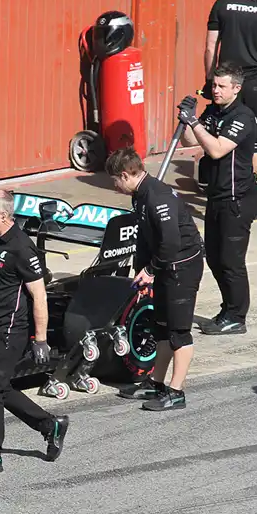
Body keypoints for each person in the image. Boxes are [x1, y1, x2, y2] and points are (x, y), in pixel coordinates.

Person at [0, 190, 69, 476]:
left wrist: (40, 339)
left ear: (4, 216)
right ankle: (49, 424)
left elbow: (39, 295)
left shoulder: (22, 248)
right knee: (0, 388)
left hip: (11, 330)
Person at [105, 147, 204, 411]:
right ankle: (156, 383)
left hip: (181, 268)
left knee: (178, 332)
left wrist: (150, 271)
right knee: (160, 327)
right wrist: (142, 270)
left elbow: (170, 244)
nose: (114, 186)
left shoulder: (157, 197)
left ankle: (176, 392)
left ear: (125, 175)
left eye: (115, 180)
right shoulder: (140, 195)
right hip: (164, 268)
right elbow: (147, 240)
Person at [178, 62, 257, 335]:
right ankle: (228, 309)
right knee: (213, 257)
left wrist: (194, 123)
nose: (216, 90)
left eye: (222, 86)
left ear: (236, 88)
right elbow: (190, 142)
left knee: (231, 260)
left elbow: (216, 149)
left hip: (237, 199)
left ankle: (237, 316)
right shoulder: (213, 110)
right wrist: (185, 117)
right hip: (215, 195)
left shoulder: (243, 117)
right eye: (214, 84)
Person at [204, 0, 257, 218]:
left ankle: (217, 194)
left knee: (217, 132)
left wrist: (210, 81)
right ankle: (254, 202)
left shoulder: (223, 4)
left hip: (228, 82)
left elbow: (211, 46)